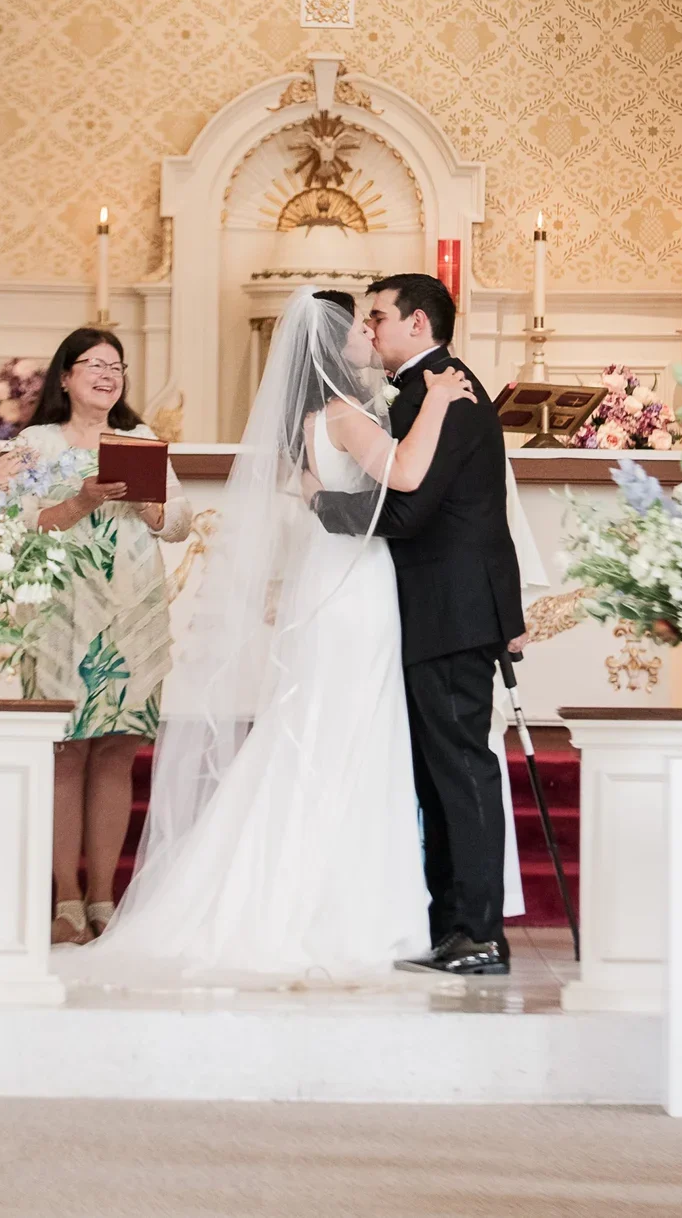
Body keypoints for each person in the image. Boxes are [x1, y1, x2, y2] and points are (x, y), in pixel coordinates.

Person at [72, 288, 477, 989]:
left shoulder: (311, 421)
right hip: (358, 588)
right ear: (331, 346)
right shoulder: (348, 416)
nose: (366, 335)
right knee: (350, 736)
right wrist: (438, 401)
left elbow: (319, 496)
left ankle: (297, 895)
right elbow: (406, 475)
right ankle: (344, 911)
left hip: (329, 581)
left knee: (318, 733)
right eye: (358, 326)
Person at [309, 273, 526, 979]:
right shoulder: (417, 391)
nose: (369, 328)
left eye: (379, 316)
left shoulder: (447, 391)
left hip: (452, 611)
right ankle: (450, 927)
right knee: (439, 776)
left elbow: (404, 511)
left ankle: (478, 933)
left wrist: (323, 506)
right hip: (437, 609)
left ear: (419, 323)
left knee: (460, 771)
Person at [0, 328, 191, 946]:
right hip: (60, 614)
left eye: (117, 366)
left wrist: (153, 507)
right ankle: (66, 899)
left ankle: (104, 897)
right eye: (94, 365)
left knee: (117, 748)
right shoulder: (35, 443)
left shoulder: (139, 442)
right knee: (66, 748)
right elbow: (4, 516)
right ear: (65, 377)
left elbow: (180, 521)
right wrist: (79, 502)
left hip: (132, 611)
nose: (108, 375)